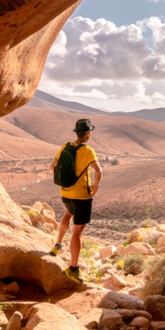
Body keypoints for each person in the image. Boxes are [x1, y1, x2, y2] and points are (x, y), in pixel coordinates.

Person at [49, 118, 102, 284]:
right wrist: (95, 184)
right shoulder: (88, 151)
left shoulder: (65, 146)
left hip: (65, 193)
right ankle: (73, 269)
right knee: (77, 232)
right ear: (88, 134)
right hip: (81, 196)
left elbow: (53, 166)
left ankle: (57, 246)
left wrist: (66, 180)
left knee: (67, 213)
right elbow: (98, 170)